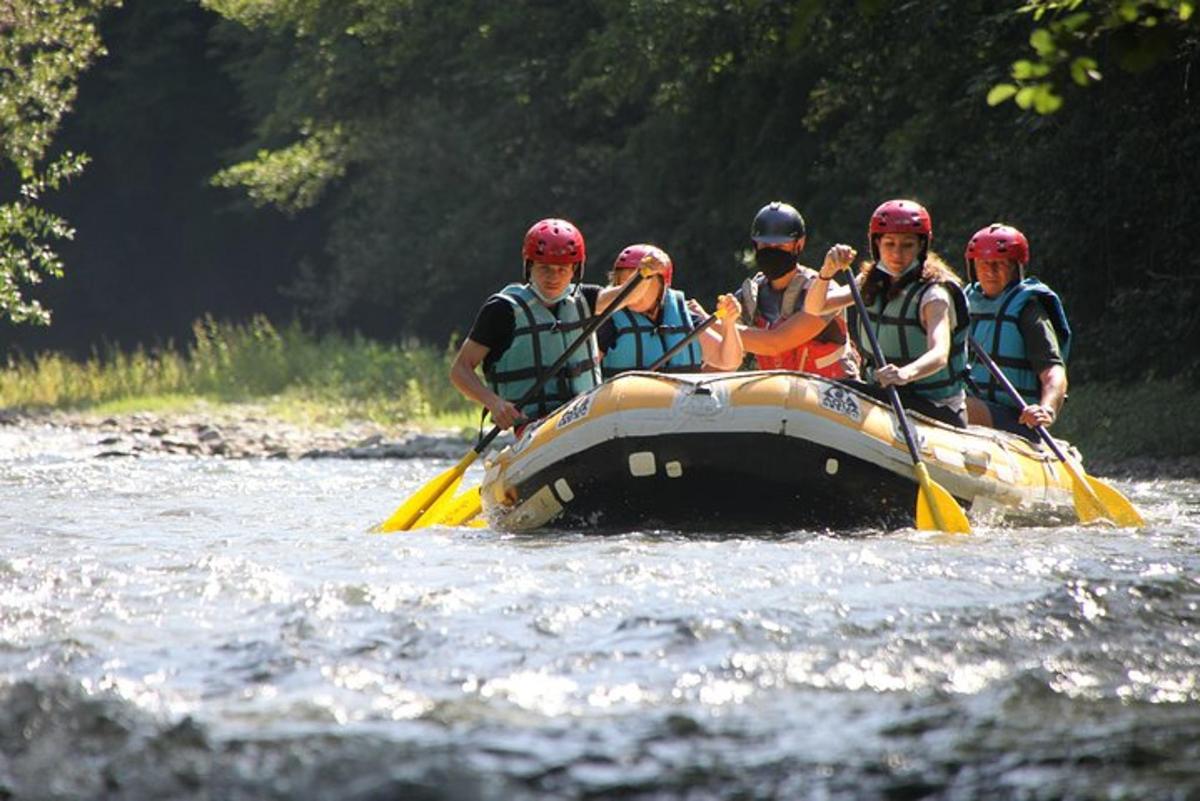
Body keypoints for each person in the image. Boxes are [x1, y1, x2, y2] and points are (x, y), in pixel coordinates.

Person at [450, 218, 651, 431]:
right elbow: (460, 370)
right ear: (529, 266)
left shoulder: (586, 299)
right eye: (544, 268)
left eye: (562, 269)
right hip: (532, 426)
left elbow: (629, 295)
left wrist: (648, 271)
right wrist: (494, 403)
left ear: (575, 270)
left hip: (586, 416)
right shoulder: (502, 310)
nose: (553, 277)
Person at [806, 199, 970, 427]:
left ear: (922, 246)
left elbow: (940, 353)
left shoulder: (934, 295)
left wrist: (905, 374)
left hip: (936, 407)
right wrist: (827, 272)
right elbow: (814, 307)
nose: (897, 254)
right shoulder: (870, 282)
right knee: (830, 394)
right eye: (889, 244)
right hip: (884, 396)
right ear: (876, 244)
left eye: (907, 245)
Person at [962, 223, 1071, 439]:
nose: (990, 271)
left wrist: (1046, 409)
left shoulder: (1028, 311)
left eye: (1000, 264)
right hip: (972, 407)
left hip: (1016, 417)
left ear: (1015, 268)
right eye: (983, 263)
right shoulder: (964, 303)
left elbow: (1053, 372)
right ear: (973, 267)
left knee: (956, 405)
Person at [734, 202, 859, 379]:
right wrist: (703, 323)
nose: (772, 251)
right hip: (778, 397)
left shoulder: (823, 292)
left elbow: (776, 343)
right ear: (755, 245)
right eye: (765, 245)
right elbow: (723, 355)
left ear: (798, 244)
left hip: (832, 394)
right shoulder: (749, 297)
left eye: (780, 246)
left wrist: (718, 327)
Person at [598, 244, 743, 377]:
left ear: (663, 285)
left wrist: (729, 324)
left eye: (642, 283)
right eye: (625, 285)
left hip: (682, 404)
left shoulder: (683, 316)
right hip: (627, 404)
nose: (633, 292)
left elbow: (728, 361)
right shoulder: (609, 322)